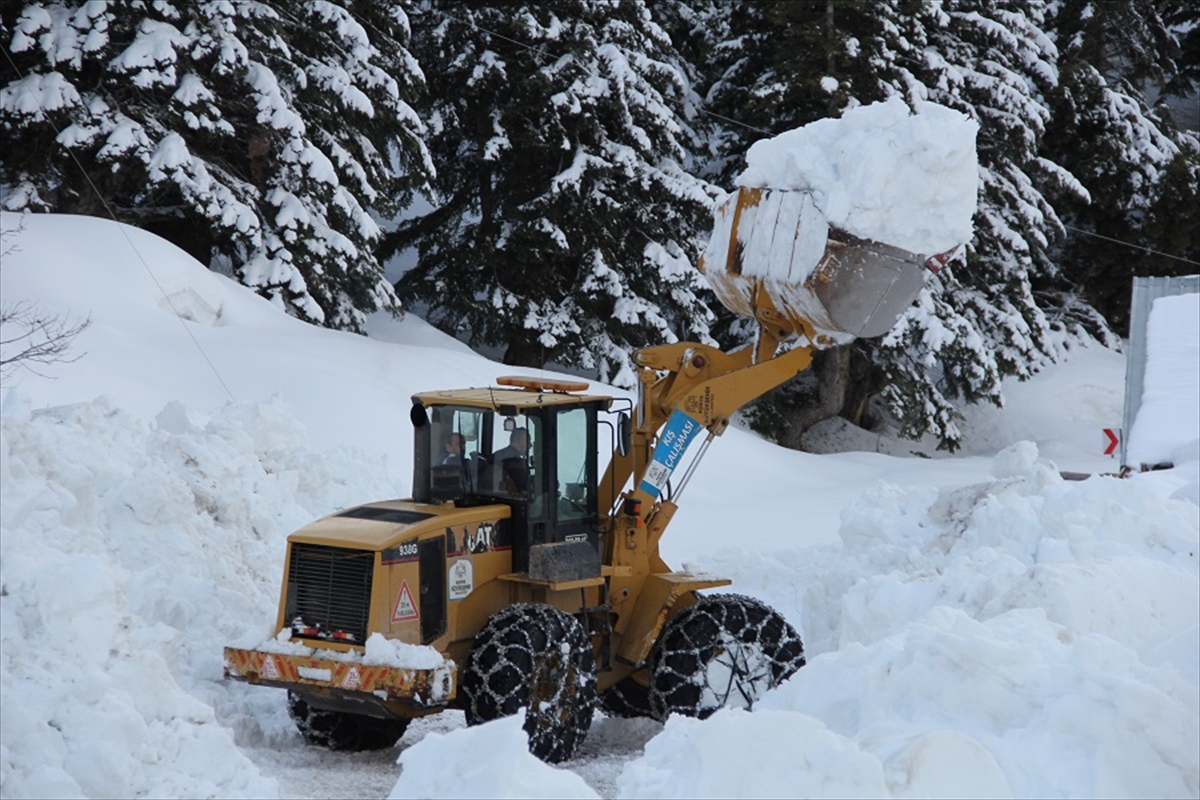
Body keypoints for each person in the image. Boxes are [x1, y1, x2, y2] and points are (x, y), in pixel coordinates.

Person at [490, 427, 530, 494]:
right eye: (528, 441)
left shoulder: (496, 455)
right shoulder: (515, 461)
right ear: (521, 439)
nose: (530, 445)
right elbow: (523, 488)